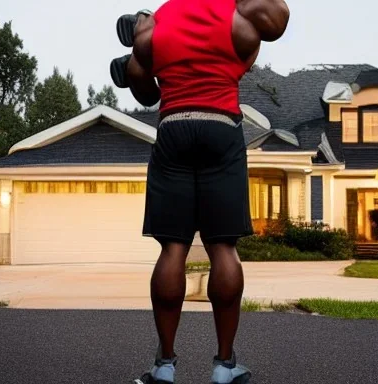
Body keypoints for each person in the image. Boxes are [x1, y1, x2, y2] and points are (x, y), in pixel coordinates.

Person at [109, 1, 290, 383]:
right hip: (220, 126)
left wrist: (135, 67)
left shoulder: (159, 20)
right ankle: (224, 366)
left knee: (172, 248)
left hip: (174, 125)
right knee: (222, 248)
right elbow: (275, 23)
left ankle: (164, 366)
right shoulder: (238, 17)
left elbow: (144, 93)